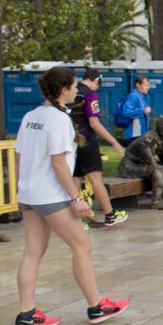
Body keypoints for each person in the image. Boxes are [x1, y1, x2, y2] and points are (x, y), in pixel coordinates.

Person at [13, 65, 129, 325]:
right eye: (74, 86)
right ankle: (97, 305)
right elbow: (58, 163)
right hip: (50, 196)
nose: (78, 90)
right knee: (82, 246)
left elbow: (19, 156)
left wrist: (22, 190)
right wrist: (76, 198)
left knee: (32, 252)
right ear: (63, 90)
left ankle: (26, 314)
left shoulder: (31, 116)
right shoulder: (58, 120)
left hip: (30, 194)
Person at [70, 69, 128, 228]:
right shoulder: (90, 95)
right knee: (95, 179)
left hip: (71, 142)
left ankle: (77, 220)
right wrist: (114, 142)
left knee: (75, 178)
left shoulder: (71, 93)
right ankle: (110, 215)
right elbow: (94, 123)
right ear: (95, 80)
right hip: (87, 140)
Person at [116, 75, 153, 146]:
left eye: (149, 85)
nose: (148, 88)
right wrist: (143, 111)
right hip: (134, 135)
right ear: (138, 85)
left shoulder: (140, 96)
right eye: (146, 85)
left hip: (139, 135)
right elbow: (125, 112)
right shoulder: (133, 96)